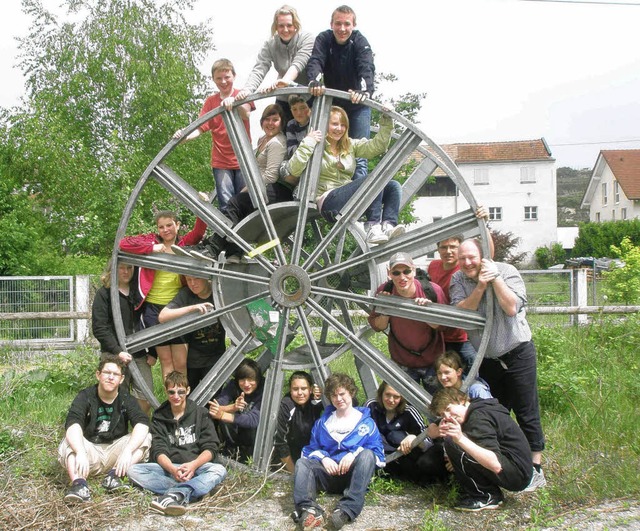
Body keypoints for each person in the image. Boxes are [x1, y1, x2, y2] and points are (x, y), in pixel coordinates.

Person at [449, 238, 546, 491]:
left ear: (482, 255)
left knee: (526, 410)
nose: (468, 262)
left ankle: (535, 469)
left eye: (472, 257)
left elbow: (512, 308)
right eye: (463, 259)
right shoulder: (458, 280)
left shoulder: (506, 271)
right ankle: (505, 462)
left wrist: (495, 280)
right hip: (488, 358)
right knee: (496, 412)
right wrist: (480, 287)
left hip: (517, 352)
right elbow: (462, 314)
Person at [288, 105, 403, 244]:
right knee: (373, 179)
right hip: (328, 201)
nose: (339, 129)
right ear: (325, 125)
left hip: (347, 197)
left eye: (343, 125)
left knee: (393, 185)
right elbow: (293, 169)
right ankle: (372, 226)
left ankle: (388, 226)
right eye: (334, 124)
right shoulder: (316, 145)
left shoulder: (350, 145)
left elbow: (378, 146)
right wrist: (308, 142)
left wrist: (386, 119)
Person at [119, 210, 206, 380]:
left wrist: (202, 207)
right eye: (161, 227)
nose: (165, 230)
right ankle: (170, 402)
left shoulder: (183, 245)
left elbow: (199, 232)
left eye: (169, 225)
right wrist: (151, 248)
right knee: (166, 361)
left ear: (177, 225)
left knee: (180, 362)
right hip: (153, 309)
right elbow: (123, 244)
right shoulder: (151, 241)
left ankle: (181, 400)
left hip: (176, 307)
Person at [292, 373, 385, 530]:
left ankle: (345, 511)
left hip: (353, 476)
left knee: (367, 454)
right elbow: (309, 451)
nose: (338, 398)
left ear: (351, 393)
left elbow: (379, 454)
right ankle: (308, 510)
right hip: (328, 474)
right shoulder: (322, 423)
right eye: (334, 395)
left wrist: (354, 453)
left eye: (342, 394)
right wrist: (324, 458)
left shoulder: (367, 423)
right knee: (302, 463)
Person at [127, 371, 227, 516]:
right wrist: (173, 471)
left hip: (197, 466)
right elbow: (158, 451)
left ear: (188, 390)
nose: (176, 396)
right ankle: (187, 491)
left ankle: (175, 494)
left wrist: (193, 465)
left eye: (180, 392)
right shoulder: (159, 416)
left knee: (219, 470)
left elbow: (211, 448)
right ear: (166, 392)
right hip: (170, 468)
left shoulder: (201, 413)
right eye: (171, 392)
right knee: (133, 471)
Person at [58, 356, 151, 503]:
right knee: (68, 442)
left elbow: (142, 423)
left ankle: (114, 477)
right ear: (98, 374)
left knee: (145, 437)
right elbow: (73, 424)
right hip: (91, 454)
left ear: (121, 379)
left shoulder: (126, 398)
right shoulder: (85, 396)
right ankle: (79, 485)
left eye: (115, 374)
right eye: (107, 372)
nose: (110, 377)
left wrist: (127, 452)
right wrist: (81, 452)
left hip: (116, 454)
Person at [430, 388, 534, 511]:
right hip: (519, 469)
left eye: (448, 409)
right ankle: (485, 491)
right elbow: (433, 428)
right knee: (455, 440)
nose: (447, 417)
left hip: (516, 475)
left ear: (462, 400)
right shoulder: (476, 407)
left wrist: (460, 439)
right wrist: (435, 429)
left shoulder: (479, 418)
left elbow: (496, 465)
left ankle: (486, 496)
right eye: (442, 414)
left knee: (453, 442)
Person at [173, 58, 255, 213]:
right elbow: (200, 127)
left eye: (227, 77)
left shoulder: (241, 94)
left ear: (234, 76)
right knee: (225, 202)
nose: (223, 82)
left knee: (245, 201)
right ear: (214, 80)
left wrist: (235, 102)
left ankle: (247, 234)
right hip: (221, 161)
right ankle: (229, 235)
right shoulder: (211, 102)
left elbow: (246, 114)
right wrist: (183, 135)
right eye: (219, 78)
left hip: (243, 159)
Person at [306, 5, 375, 182]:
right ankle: (323, 194)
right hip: (332, 106)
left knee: (360, 159)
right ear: (331, 24)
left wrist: (365, 91)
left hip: (356, 105)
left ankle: (357, 205)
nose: (342, 29)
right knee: (320, 151)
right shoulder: (324, 39)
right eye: (338, 24)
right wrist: (314, 80)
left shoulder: (360, 42)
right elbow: (316, 61)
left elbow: (366, 66)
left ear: (353, 25)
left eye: (347, 24)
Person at [368, 252, 446, 393]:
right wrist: (386, 309)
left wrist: (427, 312)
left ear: (414, 270)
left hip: (433, 363)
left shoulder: (432, 290)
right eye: (396, 273)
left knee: (439, 407)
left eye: (407, 271)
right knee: (404, 411)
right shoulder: (384, 292)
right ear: (389, 273)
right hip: (402, 363)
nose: (402, 277)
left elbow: (444, 326)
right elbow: (378, 326)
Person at [222, 104, 290, 262]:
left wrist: (247, 189)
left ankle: (224, 249)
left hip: (275, 190)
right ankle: (233, 251)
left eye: (275, 120)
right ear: (261, 121)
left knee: (235, 203)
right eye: (267, 119)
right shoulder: (263, 140)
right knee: (240, 209)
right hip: (262, 188)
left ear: (282, 122)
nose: (270, 123)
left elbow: (271, 175)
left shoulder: (277, 143)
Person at [427, 208, 491, 372]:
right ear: (438, 249)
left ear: (459, 248)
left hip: (463, 337)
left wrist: (484, 223)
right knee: (445, 379)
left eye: (453, 247)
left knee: (470, 377)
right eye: (443, 247)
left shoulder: (465, 269)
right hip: (439, 337)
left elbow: (488, 255)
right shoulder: (433, 267)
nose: (448, 251)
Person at [232, 5, 314, 124]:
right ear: (275, 26)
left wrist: (285, 81)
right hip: (284, 97)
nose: (285, 30)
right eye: (281, 26)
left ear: (296, 25)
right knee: (284, 133)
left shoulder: (306, 38)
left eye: (289, 25)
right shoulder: (271, 43)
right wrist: (247, 90)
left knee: (310, 135)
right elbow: (260, 67)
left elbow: (298, 63)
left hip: (307, 96)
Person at [91, 261, 154, 414]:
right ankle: (117, 432)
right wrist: (118, 351)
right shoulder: (104, 294)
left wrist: (152, 352)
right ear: (113, 269)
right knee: (114, 396)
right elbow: (100, 328)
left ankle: (138, 430)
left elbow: (150, 320)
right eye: (121, 268)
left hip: (139, 354)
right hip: (113, 355)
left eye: (129, 267)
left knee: (146, 396)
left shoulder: (138, 293)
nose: (125, 271)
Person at [364, 382, 447, 485]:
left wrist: (413, 438)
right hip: (380, 453)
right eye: (387, 395)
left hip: (406, 455)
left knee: (396, 436)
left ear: (402, 398)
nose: (391, 400)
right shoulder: (371, 406)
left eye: (396, 397)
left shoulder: (409, 411)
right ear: (381, 394)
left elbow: (429, 441)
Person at [158, 275, 226, 391]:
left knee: (214, 399)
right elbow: (162, 316)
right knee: (190, 399)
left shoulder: (219, 291)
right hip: (192, 361)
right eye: (189, 280)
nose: (192, 283)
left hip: (215, 359)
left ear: (206, 277)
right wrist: (192, 308)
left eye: (196, 278)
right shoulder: (186, 294)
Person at [208, 358, 264, 462]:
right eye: (242, 380)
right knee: (225, 416)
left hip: (255, 436)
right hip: (238, 429)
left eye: (251, 379)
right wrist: (233, 407)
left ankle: (247, 454)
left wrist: (223, 415)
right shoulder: (233, 385)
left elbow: (254, 420)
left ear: (258, 379)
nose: (246, 384)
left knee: (228, 416)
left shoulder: (264, 388)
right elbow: (215, 407)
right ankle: (231, 449)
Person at [274, 371, 324, 473]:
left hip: (313, 453)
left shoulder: (314, 401)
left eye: (304, 388)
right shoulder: (286, 406)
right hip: (291, 457)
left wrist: (322, 396)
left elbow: (348, 404)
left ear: (310, 389)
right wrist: (294, 472)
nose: (300, 393)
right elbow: (280, 442)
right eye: (295, 389)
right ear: (290, 390)